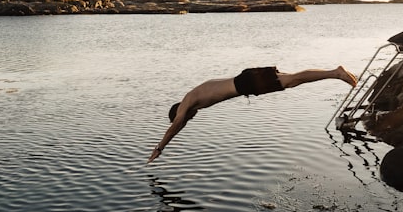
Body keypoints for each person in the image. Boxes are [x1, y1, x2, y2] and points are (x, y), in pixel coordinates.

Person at [148, 66, 357, 162]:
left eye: (186, 118)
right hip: (246, 78)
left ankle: (335, 73)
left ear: (179, 111)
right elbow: (180, 124)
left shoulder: (187, 102)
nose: (189, 119)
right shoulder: (193, 96)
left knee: (293, 80)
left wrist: (159, 148)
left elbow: (176, 125)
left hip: (246, 83)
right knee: (293, 80)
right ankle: (335, 73)